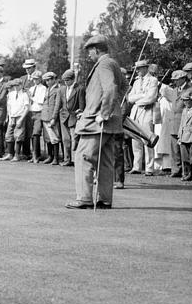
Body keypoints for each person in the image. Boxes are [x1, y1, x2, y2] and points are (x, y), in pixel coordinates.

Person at [67, 35, 126, 210]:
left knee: (83, 157)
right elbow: (124, 86)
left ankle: (84, 198)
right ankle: (104, 199)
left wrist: (105, 112)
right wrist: (114, 108)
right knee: (105, 161)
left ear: (97, 49)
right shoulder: (113, 64)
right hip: (108, 123)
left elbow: (111, 88)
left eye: (90, 51)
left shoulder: (104, 64)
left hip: (97, 121)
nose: (89, 55)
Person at [127, 60, 159, 176]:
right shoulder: (136, 82)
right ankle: (137, 166)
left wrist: (138, 99)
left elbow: (151, 98)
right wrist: (141, 95)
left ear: (146, 68)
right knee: (135, 139)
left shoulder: (153, 80)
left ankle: (149, 168)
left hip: (147, 111)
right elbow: (130, 98)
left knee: (147, 138)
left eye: (140, 68)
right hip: (135, 111)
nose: (138, 71)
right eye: (137, 69)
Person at [54, 69, 85, 167]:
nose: (66, 83)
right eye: (64, 81)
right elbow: (58, 104)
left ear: (73, 79)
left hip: (74, 117)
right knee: (65, 139)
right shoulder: (62, 89)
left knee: (75, 139)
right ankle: (67, 159)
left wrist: (80, 113)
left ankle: (76, 159)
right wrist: (53, 118)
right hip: (63, 117)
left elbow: (82, 105)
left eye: (68, 80)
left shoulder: (80, 89)